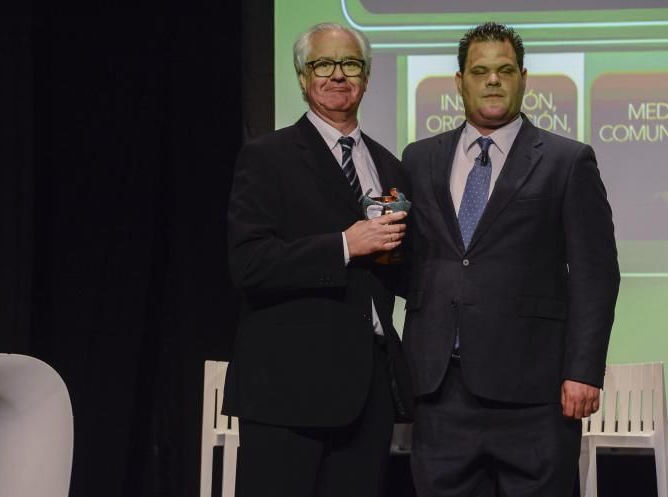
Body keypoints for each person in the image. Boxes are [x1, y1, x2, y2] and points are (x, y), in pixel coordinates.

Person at [401, 22, 620, 497]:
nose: (493, 81)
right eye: (480, 71)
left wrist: (582, 370)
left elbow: (594, 274)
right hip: (441, 393)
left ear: (524, 77)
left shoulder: (566, 160)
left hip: (534, 396)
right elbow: (415, 263)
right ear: (460, 82)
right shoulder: (419, 160)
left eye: (504, 70)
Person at [223, 22, 413, 497]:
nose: (337, 75)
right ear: (303, 77)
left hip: (368, 391)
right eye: (322, 64)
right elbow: (249, 263)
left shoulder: (389, 165)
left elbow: (397, 270)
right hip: (288, 386)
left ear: (367, 77)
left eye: (350, 64)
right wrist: (345, 245)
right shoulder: (267, 156)